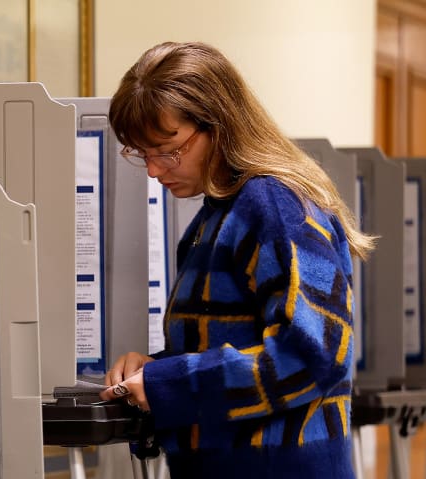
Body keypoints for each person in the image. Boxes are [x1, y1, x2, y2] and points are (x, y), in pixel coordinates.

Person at [100, 41, 375, 478]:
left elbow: (314, 354)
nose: (153, 169)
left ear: (220, 125)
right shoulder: (219, 215)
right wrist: (155, 371)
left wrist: (168, 384)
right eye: (141, 153)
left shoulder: (272, 206)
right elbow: (232, 345)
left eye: (167, 149)